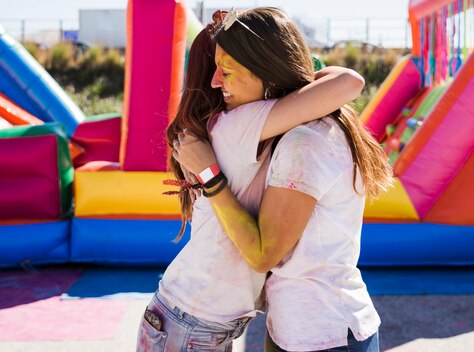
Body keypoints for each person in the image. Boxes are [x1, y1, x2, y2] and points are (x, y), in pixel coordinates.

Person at [137, 8, 366, 352]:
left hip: (190, 317)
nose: (217, 80)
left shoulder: (238, 127)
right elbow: (348, 82)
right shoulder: (236, 125)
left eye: (226, 70)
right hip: (190, 322)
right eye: (217, 69)